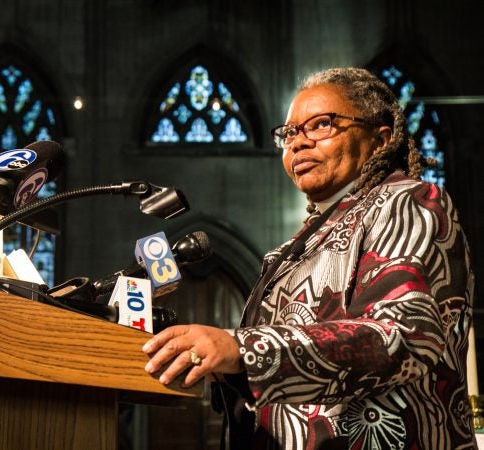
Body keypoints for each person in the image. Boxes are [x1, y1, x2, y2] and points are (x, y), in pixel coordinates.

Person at [142, 67, 475, 449]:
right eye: (289, 133)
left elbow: (405, 335)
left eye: (320, 125)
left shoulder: (409, 201)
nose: (297, 143)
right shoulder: (300, 243)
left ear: (380, 138)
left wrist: (242, 349)